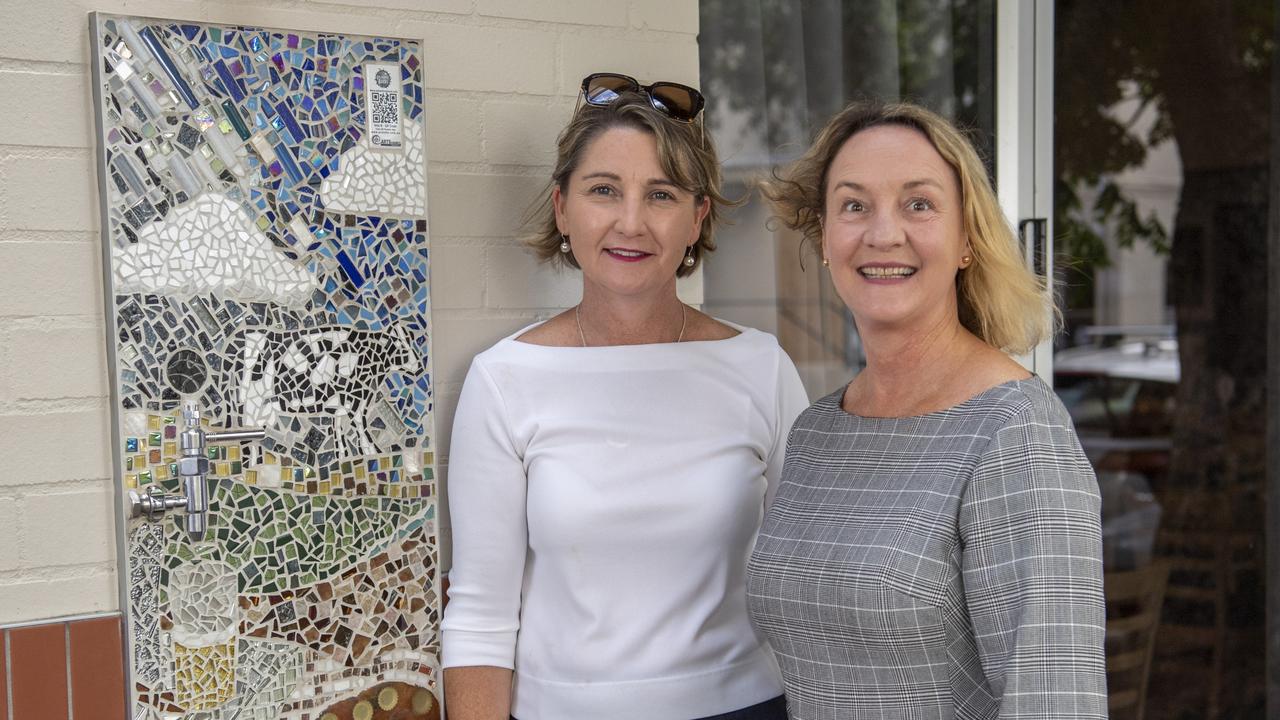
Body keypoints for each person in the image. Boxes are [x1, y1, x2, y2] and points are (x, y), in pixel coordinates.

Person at [441, 73, 809, 720]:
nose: (631, 222)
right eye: (603, 190)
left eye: (661, 195)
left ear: (698, 217)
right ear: (562, 208)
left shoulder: (759, 367)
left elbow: (807, 582)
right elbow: (480, 614)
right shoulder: (505, 379)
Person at [749, 101, 1107, 719]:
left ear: (967, 239)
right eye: (854, 205)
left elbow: (1053, 702)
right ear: (826, 239)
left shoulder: (1017, 432)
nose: (883, 233)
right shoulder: (816, 432)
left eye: (919, 203)